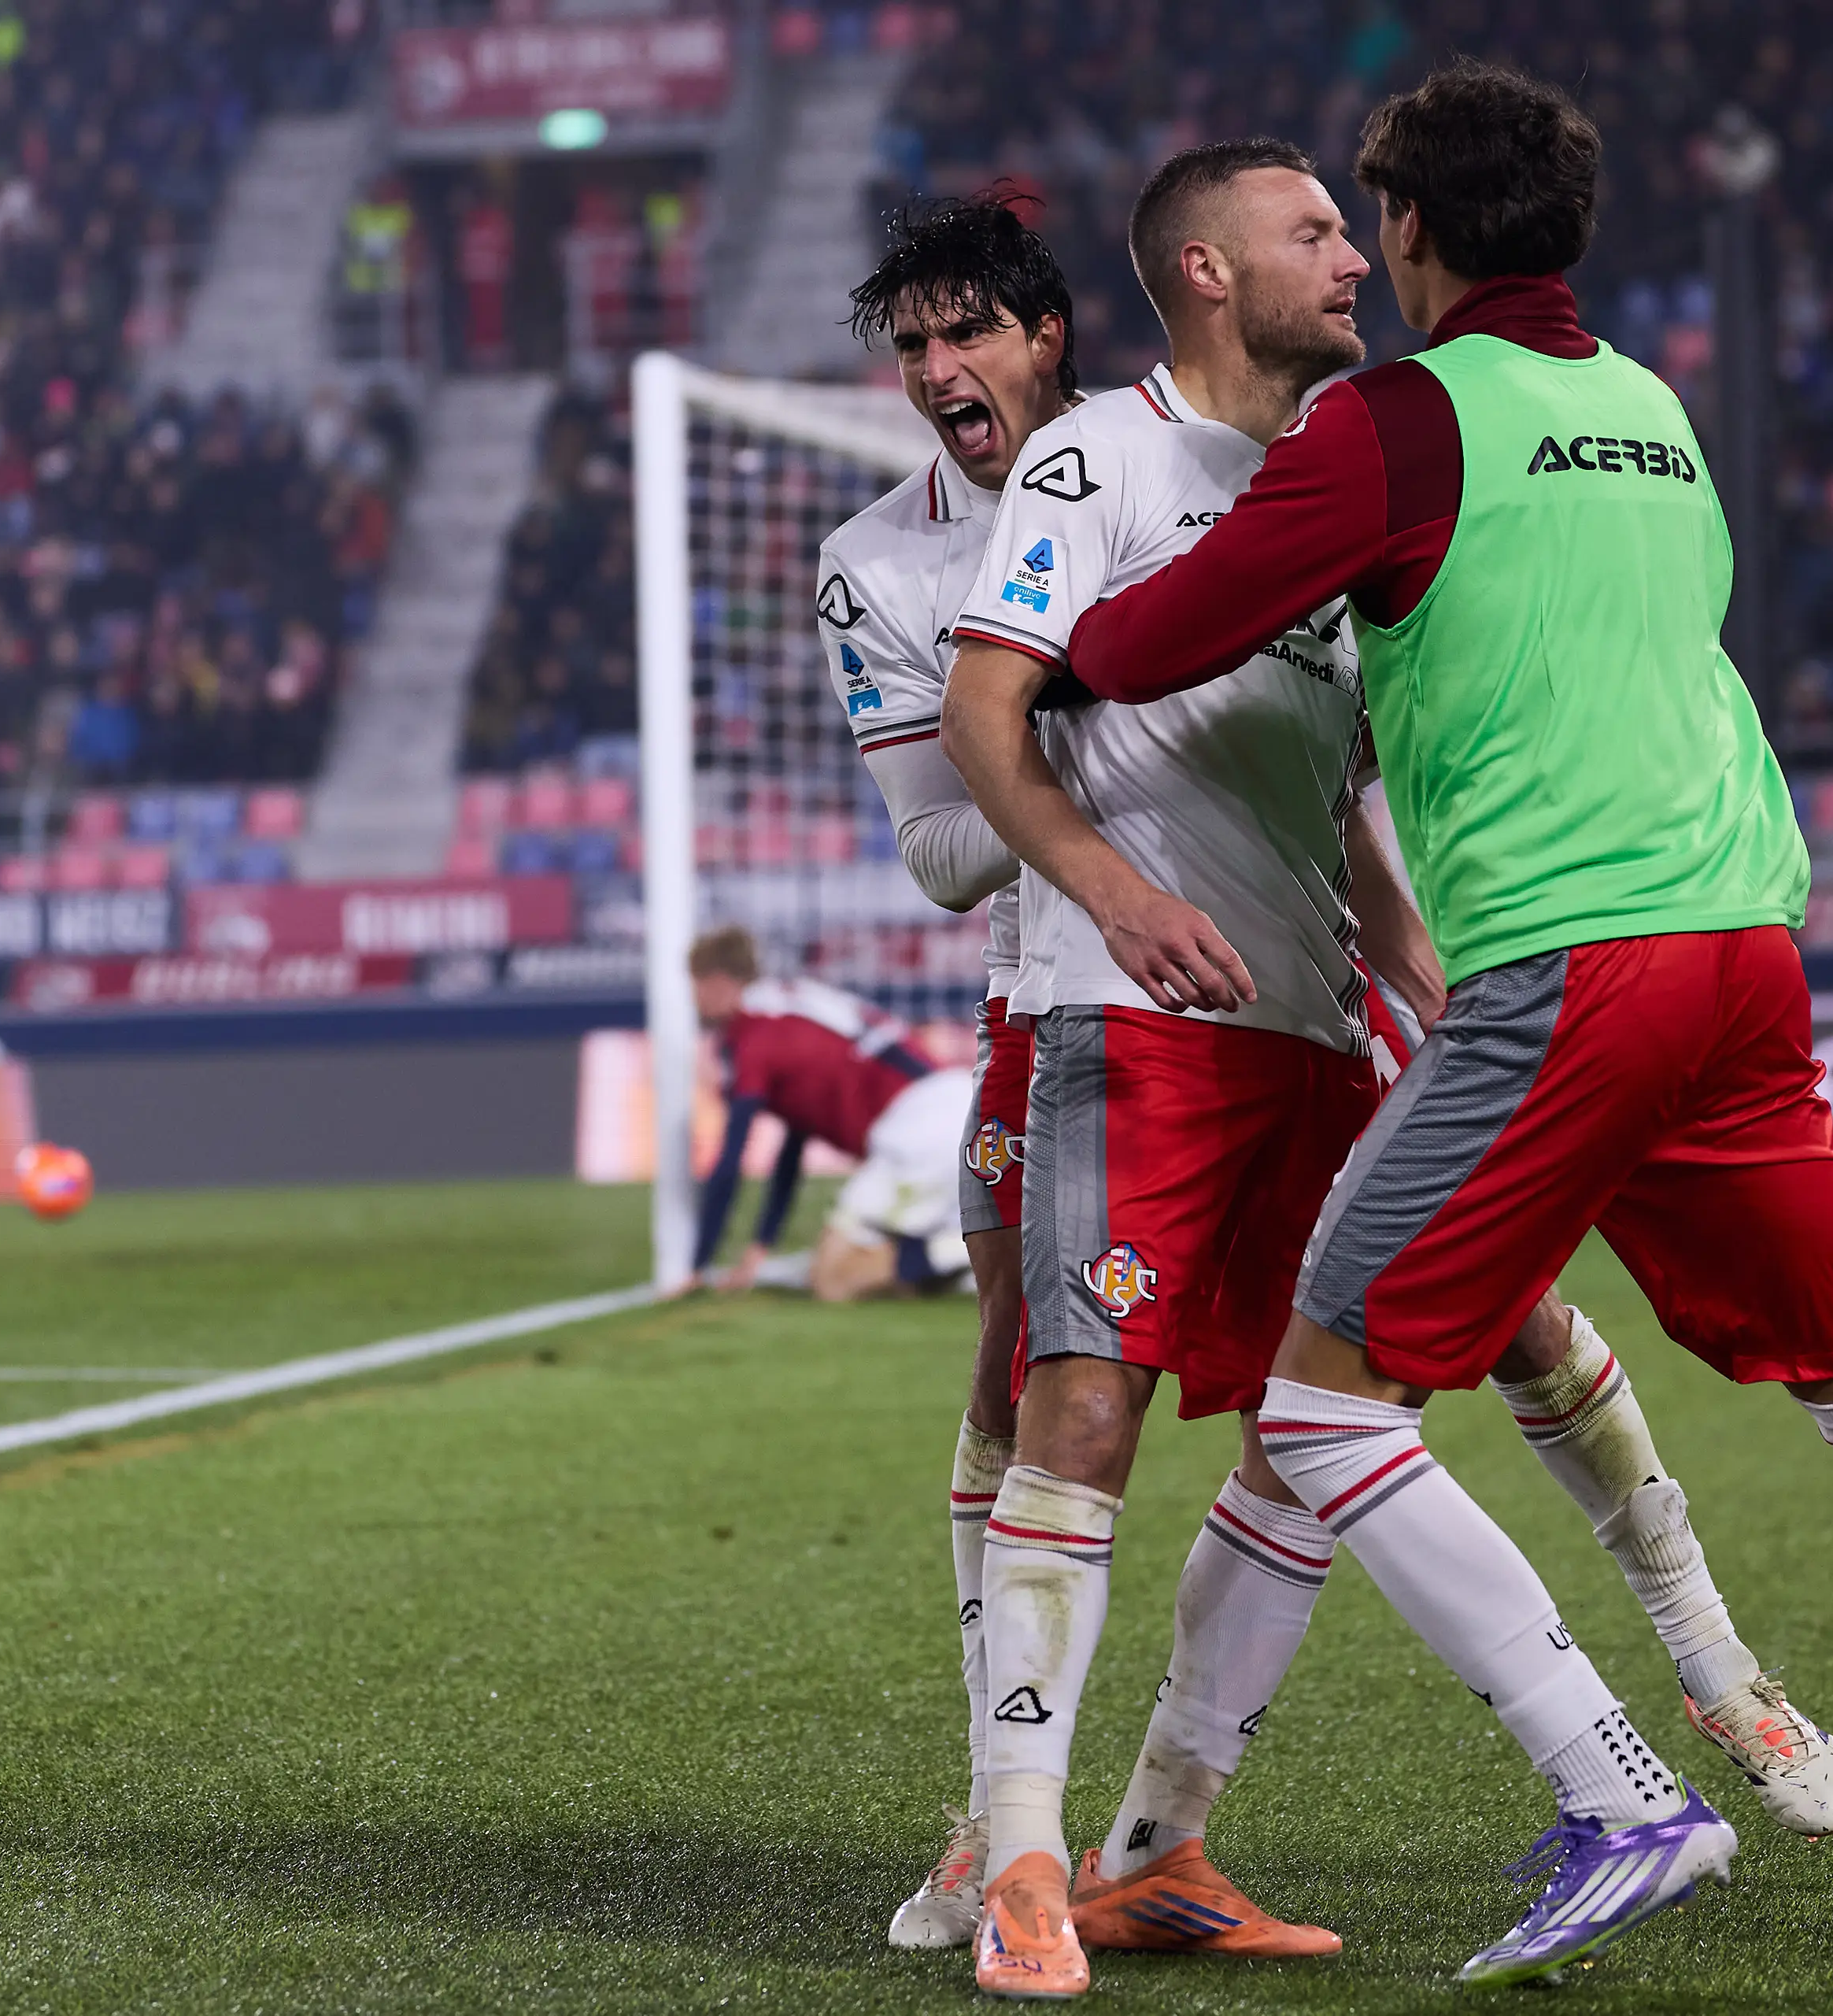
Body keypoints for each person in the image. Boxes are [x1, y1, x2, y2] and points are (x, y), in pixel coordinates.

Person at [1060, 61, 1833, 1969]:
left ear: (1417, 232)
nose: (1360, 255)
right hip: (1741, 956)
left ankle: (1616, 1785)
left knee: (1316, 1401)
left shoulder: (1393, 424)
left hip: (1570, 965)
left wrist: (1051, 638)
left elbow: (1140, 644)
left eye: (1370, 224)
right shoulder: (1646, 410)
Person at [943, 138, 1833, 2001]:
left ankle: (1166, 1837)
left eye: (1355, 229)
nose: (1355, 260)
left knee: (1384, 1388)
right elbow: (988, 705)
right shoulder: (1091, 461)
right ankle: (1018, 1854)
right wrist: (1110, 892)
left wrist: (1418, 964)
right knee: (1087, 1404)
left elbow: (1331, 784)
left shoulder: (1344, 468)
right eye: (1310, 232)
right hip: (1128, 1022)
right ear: (1203, 271)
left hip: (1310, 1020)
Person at [811, 195, 1080, 1949]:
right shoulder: (877, 558)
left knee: (1469, 1334)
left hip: (1299, 963)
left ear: (1048, 331)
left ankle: (1700, 1673)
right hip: (1056, 996)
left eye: (967, 330)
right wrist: (1050, 711)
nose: (937, 370)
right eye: (913, 344)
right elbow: (938, 852)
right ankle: (1005, 1815)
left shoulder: (1190, 464)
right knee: (1022, 1377)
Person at [685, 928, 971, 1301]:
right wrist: (760, 1246)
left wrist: (697, 1266)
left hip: (921, 1134)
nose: (692, 999)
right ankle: (948, 1256)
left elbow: (732, 1155)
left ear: (718, 983)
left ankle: (970, 1250)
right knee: (876, 1270)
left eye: (695, 986)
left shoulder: (753, 1035)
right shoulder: (788, 1005)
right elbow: (793, 1145)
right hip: (953, 1104)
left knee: (834, 1278)